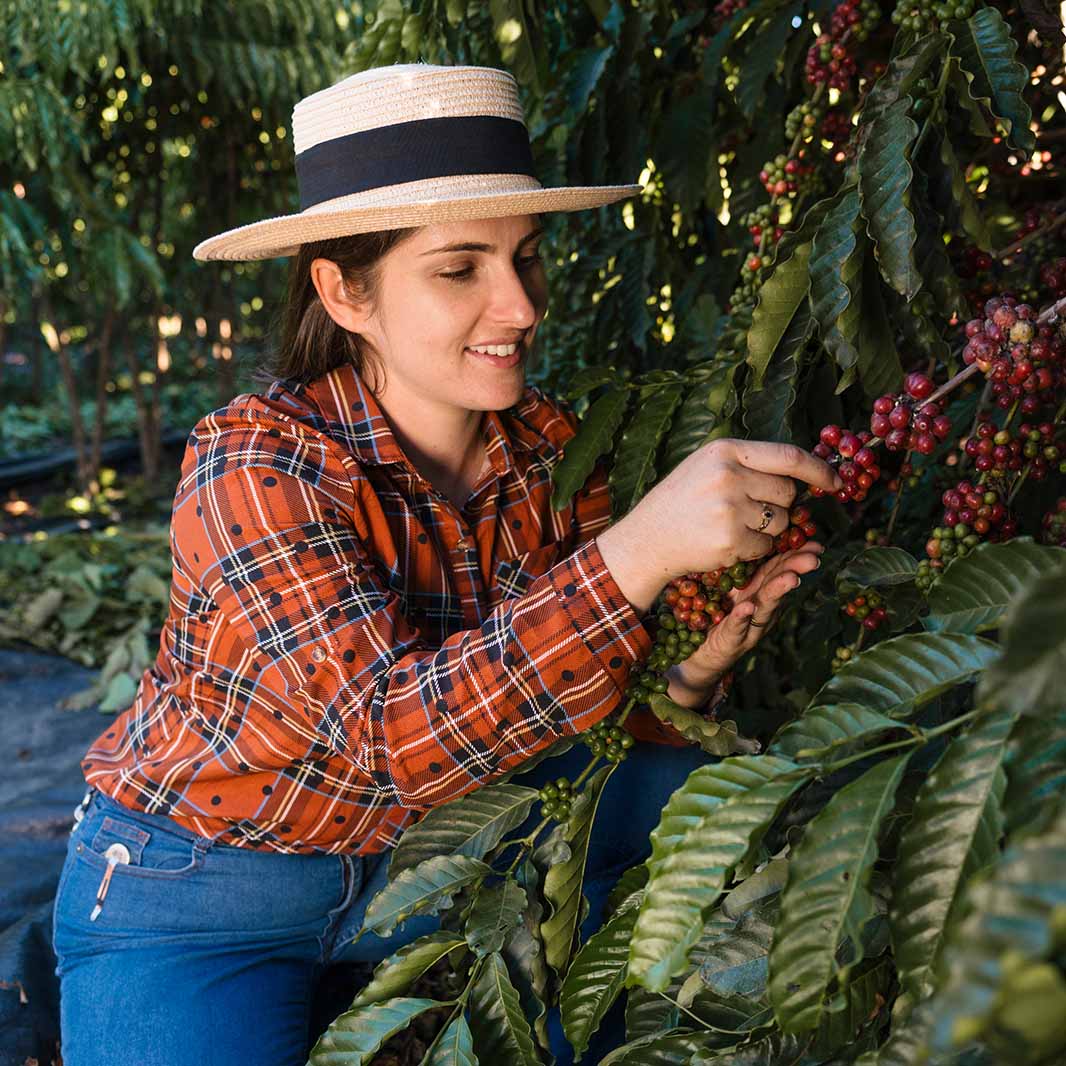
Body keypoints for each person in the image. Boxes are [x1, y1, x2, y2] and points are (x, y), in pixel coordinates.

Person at [51, 63, 840, 1066]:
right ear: (345, 291)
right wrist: (633, 554)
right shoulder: (254, 463)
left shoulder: (552, 449)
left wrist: (690, 669)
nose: (518, 307)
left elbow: (580, 709)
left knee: (688, 782)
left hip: (436, 854)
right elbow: (386, 731)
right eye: (460, 268)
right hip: (205, 888)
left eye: (523, 259)